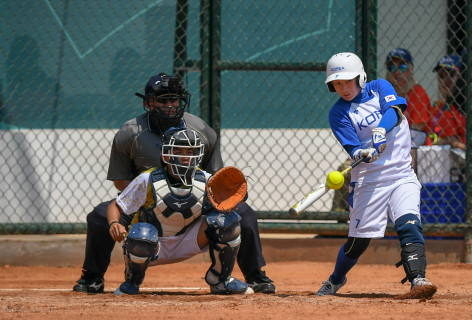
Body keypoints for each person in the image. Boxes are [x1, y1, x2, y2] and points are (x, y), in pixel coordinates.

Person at [72, 73, 275, 294]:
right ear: (148, 102)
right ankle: (92, 278)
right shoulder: (130, 132)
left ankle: (254, 276)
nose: (170, 105)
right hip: (146, 199)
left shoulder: (201, 131)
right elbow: (121, 180)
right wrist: (153, 194)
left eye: (175, 100)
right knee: (100, 216)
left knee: (243, 215)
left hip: (196, 197)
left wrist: (190, 197)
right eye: (163, 100)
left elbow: (215, 179)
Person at [318, 52, 436, 298]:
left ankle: (418, 279)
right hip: (370, 181)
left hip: (402, 174)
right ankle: (336, 279)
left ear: (360, 77)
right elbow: (352, 147)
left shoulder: (379, 87)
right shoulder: (338, 113)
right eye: (337, 83)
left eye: (347, 81)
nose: (343, 88)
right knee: (357, 243)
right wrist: (363, 152)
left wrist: (380, 129)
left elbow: (394, 110)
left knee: (409, 224)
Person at [108, 127, 252, 295]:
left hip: (188, 241)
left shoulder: (206, 180)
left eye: (190, 151)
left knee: (227, 221)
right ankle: (132, 281)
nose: (185, 156)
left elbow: (223, 209)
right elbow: (116, 206)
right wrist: (114, 223)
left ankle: (220, 279)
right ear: (166, 154)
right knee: (142, 233)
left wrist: (235, 197)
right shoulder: (148, 179)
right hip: (152, 244)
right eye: (178, 150)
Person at [385, 48, 432, 171]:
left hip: (415, 146)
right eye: (392, 68)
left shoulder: (417, 93)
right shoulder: (386, 96)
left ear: (410, 69)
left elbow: (417, 132)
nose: (396, 73)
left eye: (402, 67)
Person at [426, 54, 466, 151]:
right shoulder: (437, 106)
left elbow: (454, 141)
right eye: (441, 75)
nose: (445, 80)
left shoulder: (464, 105)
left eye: (451, 74)